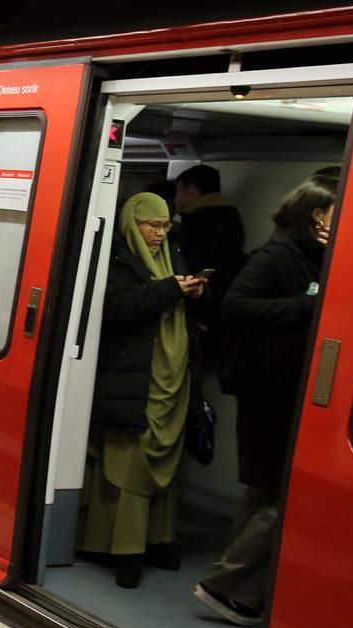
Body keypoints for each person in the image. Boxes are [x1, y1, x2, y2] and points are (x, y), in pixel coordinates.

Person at [195, 174, 337, 626]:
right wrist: (303, 307)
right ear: (317, 213)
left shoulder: (317, 257)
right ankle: (223, 583)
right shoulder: (277, 257)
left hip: (284, 387)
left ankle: (241, 593)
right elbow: (234, 306)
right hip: (268, 389)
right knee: (278, 492)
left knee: (266, 493)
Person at [81, 192, 206, 589]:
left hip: (174, 375)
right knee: (129, 462)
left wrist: (198, 292)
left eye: (166, 225)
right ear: (132, 224)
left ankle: (154, 540)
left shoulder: (173, 253)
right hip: (133, 376)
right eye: (152, 225)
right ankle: (122, 548)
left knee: (164, 461)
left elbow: (182, 301)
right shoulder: (116, 258)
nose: (160, 233)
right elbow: (115, 309)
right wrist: (170, 289)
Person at [174, 165, 246, 363]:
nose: (175, 199)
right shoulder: (230, 219)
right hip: (224, 312)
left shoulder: (196, 225)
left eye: (178, 191)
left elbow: (193, 270)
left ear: (191, 190)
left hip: (201, 314)